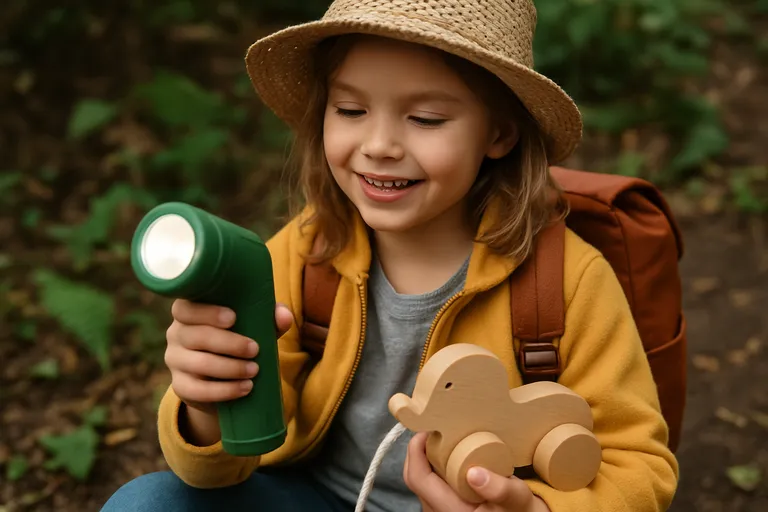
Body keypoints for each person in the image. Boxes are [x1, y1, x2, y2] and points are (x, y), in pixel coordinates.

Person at [101, 0, 679, 510]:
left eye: (425, 119)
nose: (378, 146)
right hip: (321, 497)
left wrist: (534, 510)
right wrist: (207, 404)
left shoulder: (566, 282)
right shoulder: (305, 254)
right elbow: (216, 470)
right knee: (146, 502)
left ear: (499, 134)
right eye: (350, 111)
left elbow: (641, 469)